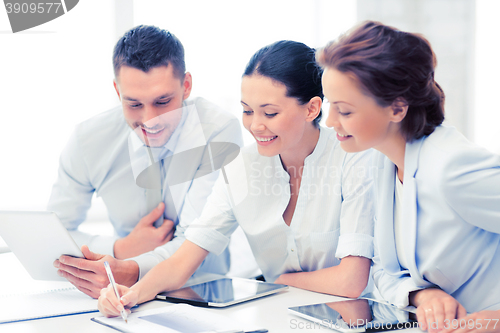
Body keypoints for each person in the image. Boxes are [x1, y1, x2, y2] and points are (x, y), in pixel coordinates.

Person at [96, 40, 376, 317]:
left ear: (312, 109)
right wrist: (131, 294)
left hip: (356, 318)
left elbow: (351, 281)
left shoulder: (352, 159)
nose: (255, 125)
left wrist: (279, 282)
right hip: (279, 316)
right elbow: (183, 260)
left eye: (270, 113)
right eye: (247, 110)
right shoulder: (240, 167)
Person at [317, 20, 500, 333]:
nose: (330, 120)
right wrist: (420, 293)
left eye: (345, 111)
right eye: (330, 104)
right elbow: (384, 269)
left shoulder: (451, 167)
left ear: (397, 108)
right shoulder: (379, 161)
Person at [49, 25, 243, 298]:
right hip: (113, 294)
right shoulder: (87, 140)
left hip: (203, 291)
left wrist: (130, 267)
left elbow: (195, 241)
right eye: (134, 104)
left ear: (186, 86)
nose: (150, 119)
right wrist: (120, 250)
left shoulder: (218, 131)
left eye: (163, 101)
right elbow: (55, 233)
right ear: (117, 91)